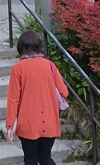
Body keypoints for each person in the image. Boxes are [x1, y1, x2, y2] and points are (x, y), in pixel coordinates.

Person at [5, 30, 70, 165]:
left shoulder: (18, 68)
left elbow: (13, 99)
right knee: (45, 157)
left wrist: (10, 125)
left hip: (29, 122)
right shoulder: (50, 65)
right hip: (50, 121)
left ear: (21, 47)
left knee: (30, 159)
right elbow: (64, 92)